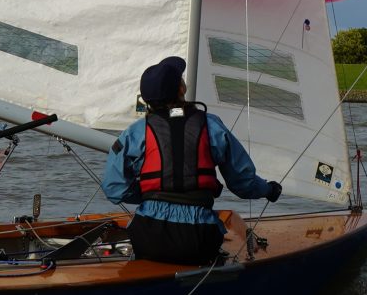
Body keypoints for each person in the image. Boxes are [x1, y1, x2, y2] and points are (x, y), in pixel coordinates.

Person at [101, 57, 283, 265]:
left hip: (149, 235)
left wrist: (151, 196)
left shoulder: (134, 133)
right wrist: (269, 190)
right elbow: (243, 183)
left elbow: (114, 188)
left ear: (145, 99)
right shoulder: (211, 126)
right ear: (181, 88)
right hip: (199, 237)